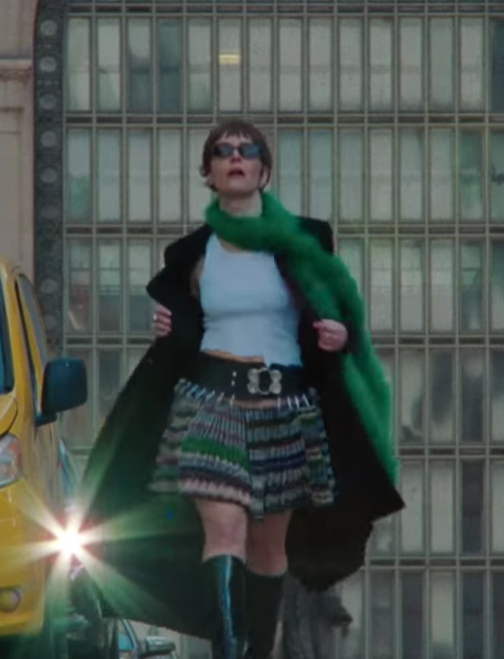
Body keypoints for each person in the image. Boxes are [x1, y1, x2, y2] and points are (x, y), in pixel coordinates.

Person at [81, 119, 404, 659]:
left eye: (247, 150)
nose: (235, 156)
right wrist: (170, 329)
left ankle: (255, 651)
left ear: (264, 171)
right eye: (222, 150)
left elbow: (340, 311)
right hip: (211, 402)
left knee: (268, 548)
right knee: (226, 529)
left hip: (287, 406)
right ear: (208, 173)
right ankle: (226, 652)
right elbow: (184, 325)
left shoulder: (304, 242)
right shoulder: (193, 253)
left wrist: (340, 336)